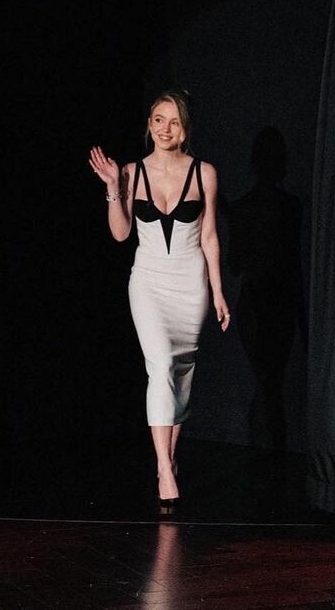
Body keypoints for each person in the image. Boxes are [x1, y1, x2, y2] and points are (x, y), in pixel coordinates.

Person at [89, 90, 230, 509]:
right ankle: (165, 469)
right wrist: (113, 187)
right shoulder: (131, 172)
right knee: (161, 365)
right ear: (148, 124)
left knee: (181, 373)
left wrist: (218, 292)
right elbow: (120, 234)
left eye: (173, 121)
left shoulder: (204, 172)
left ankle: (167, 457)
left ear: (185, 128)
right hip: (148, 283)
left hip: (191, 284)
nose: (165, 129)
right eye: (158, 120)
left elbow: (209, 237)